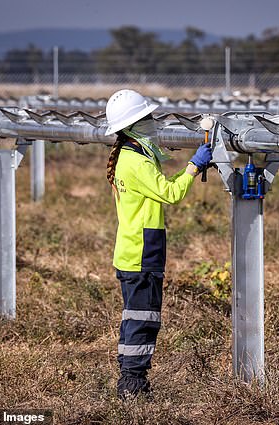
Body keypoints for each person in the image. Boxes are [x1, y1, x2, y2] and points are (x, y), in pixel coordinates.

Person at [105, 89, 212, 399]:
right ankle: (133, 386)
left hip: (133, 250)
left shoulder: (131, 154)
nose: (152, 122)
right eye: (146, 118)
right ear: (132, 125)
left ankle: (130, 378)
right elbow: (171, 193)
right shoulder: (135, 162)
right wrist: (194, 166)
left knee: (135, 317)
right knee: (143, 318)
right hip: (142, 252)